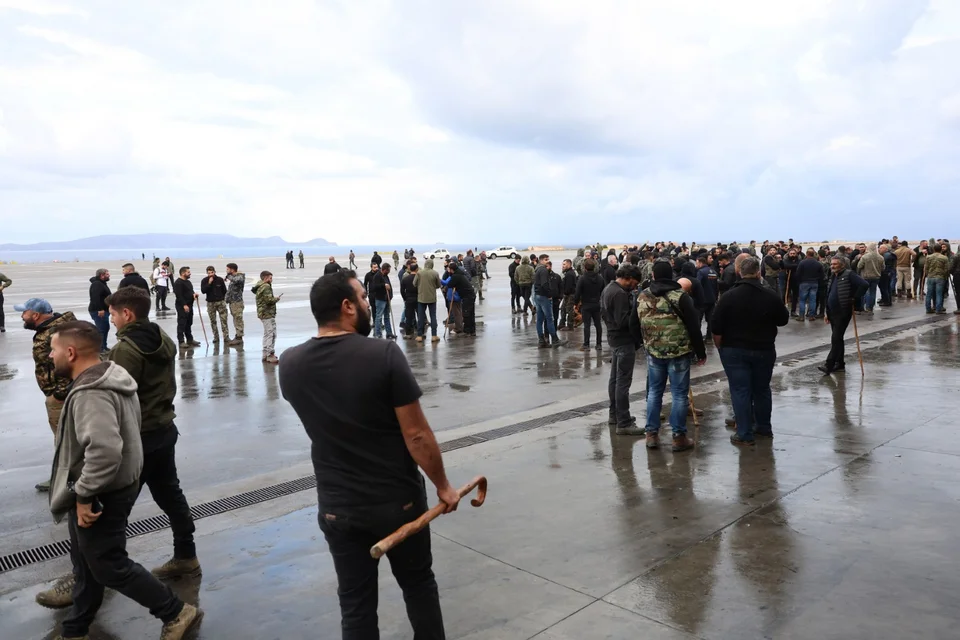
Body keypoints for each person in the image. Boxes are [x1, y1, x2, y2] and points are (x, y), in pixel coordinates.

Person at [278, 271, 459, 640]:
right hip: (397, 503)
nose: (367, 303)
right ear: (347, 307)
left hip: (338, 508)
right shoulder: (383, 354)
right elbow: (417, 435)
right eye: (362, 297)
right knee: (418, 586)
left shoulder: (290, 363)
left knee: (355, 604)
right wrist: (443, 486)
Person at [38, 287, 204, 610]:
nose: (111, 320)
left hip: (138, 438)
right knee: (171, 496)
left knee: (98, 516)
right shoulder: (161, 337)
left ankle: (87, 577)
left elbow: (112, 391)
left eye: (113, 314)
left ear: (126, 314)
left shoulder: (125, 350)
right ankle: (186, 554)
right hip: (163, 430)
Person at [711, 256, 789, 446]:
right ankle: (763, 427)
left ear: (739, 272)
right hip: (763, 348)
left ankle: (744, 433)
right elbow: (783, 319)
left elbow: (716, 327)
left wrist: (721, 347)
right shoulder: (770, 295)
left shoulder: (728, 296)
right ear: (758, 273)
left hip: (735, 349)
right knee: (761, 389)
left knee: (740, 391)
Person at [637, 261, 706, 451]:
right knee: (679, 394)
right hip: (679, 351)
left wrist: (643, 342)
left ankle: (651, 434)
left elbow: (634, 322)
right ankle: (678, 436)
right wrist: (700, 352)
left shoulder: (643, 296)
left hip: (654, 351)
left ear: (653, 275)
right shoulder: (681, 296)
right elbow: (694, 326)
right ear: (672, 276)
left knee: (654, 392)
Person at [15, 298, 77, 491]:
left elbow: (70, 362)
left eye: (24, 312)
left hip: (62, 396)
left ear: (35, 315)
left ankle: (66, 480)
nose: (22, 316)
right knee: (66, 438)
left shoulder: (55, 333)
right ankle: (67, 477)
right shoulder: (51, 329)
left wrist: (59, 393)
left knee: (64, 439)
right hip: (60, 394)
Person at [601, 263, 644, 434]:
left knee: (615, 380)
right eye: (635, 283)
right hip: (623, 340)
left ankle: (615, 415)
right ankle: (624, 422)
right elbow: (623, 321)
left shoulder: (609, 289)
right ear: (628, 278)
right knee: (623, 382)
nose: (635, 286)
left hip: (614, 338)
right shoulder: (619, 294)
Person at [819, 256, 868, 375]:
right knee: (838, 339)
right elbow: (829, 294)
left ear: (842, 265)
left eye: (835, 264)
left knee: (835, 338)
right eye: (831, 264)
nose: (832, 266)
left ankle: (829, 364)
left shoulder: (849, 274)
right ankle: (839, 364)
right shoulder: (832, 275)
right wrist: (826, 312)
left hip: (843, 311)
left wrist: (854, 298)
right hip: (832, 312)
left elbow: (864, 284)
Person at [575, 258, 604, 351]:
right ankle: (599, 344)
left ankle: (586, 344)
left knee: (587, 325)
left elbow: (577, 292)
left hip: (586, 304)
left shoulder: (582, 278)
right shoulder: (600, 278)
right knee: (598, 324)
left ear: (585, 267)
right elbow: (603, 290)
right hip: (597, 303)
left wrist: (575, 303)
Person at [252, 270, 282, 363]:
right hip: (267, 313)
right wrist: (276, 299)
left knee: (267, 333)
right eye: (270, 278)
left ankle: (265, 353)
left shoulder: (260, 286)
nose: (271, 280)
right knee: (271, 333)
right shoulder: (266, 287)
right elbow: (269, 300)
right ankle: (270, 354)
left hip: (263, 312)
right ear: (265, 278)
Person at [534, 254, 562, 348]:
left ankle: (541, 340)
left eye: (548, 259)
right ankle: (555, 339)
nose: (548, 261)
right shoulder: (543, 270)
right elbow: (544, 284)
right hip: (544, 297)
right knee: (549, 319)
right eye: (546, 260)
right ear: (541, 260)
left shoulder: (537, 269)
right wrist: (549, 295)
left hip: (538, 296)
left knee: (540, 319)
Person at [413, 259, 442, 343]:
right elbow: (439, 285)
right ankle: (434, 335)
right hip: (432, 298)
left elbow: (414, 283)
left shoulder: (419, 273)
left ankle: (419, 335)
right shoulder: (435, 273)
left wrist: (420, 286)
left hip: (421, 298)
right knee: (433, 316)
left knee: (421, 317)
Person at [444, 262, 476, 336]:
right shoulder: (460, 274)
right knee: (471, 313)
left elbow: (449, 284)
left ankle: (467, 331)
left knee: (466, 313)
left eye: (449, 269)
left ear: (452, 270)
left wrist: (449, 274)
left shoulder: (456, 276)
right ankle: (472, 330)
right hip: (470, 294)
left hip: (467, 296)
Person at [197, 265, 228, 343]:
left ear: (214, 272)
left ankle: (226, 337)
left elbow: (224, 290)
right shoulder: (204, 280)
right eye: (209, 273)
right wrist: (209, 283)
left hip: (220, 302)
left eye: (212, 272)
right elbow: (203, 291)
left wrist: (222, 299)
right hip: (210, 303)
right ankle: (216, 337)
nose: (211, 274)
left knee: (224, 320)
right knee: (213, 321)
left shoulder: (220, 280)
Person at [172, 267, 201, 348]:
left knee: (189, 323)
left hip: (190, 305)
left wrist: (194, 295)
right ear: (183, 273)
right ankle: (181, 341)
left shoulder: (188, 282)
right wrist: (184, 305)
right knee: (182, 323)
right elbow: (179, 295)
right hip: (182, 306)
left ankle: (190, 339)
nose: (190, 273)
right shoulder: (178, 283)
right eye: (188, 272)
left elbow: (190, 291)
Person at [371, 263, 397, 339]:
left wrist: (390, 295)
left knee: (387, 316)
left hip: (387, 299)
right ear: (385, 269)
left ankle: (389, 333)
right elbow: (374, 287)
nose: (389, 271)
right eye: (388, 270)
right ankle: (377, 333)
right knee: (379, 317)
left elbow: (389, 286)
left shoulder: (385, 276)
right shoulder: (377, 276)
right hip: (380, 299)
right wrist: (384, 285)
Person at [88, 268, 112, 352]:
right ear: (102, 275)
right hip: (98, 311)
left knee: (105, 328)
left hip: (104, 310)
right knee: (102, 330)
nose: (109, 275)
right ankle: (100, 349)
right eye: (107, 274)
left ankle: (103, 346)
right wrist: (100, 309)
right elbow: (95, 298)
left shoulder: (102, 283)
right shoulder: (97, 284)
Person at [795, 248, 823, 320]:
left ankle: (801, 316)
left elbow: (798, 273)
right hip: (814, 283)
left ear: (806, 254)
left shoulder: (802, 263)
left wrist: (799, 282)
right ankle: (811, 316)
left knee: (802, 300)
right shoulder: (818, 263)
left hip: (804, 283)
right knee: (812, 300)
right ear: (814, 255)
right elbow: (821, 275)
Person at [855, 242, 884, 313]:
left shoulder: (865, 257)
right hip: (876, 276)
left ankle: (867, 307)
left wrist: (858, 274)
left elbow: (859, 266)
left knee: (867, 292)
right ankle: (870, 307)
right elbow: (883, 268)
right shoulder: (880, 257)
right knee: (873, 292)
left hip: (866, 276)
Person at [695, 255, 718, 338]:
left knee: (699, 319)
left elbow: (697, 285)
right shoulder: (713, 272)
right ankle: (709, 336)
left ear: (701, 263)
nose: (696, 265)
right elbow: (716, 286)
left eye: (697, 263)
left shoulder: (700, 272)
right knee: (710, 319)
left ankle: (698, 337)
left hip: (703, 300)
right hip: (712, 299)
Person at [924, 243, 950, 314]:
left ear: (933, 249)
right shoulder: (944, 258)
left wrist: (928, 274)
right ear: (941, 249)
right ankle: (938, 309)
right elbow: (946, 269)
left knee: (929, 293)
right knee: (939, 294)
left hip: (931, 277)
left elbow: (926, 268)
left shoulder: (928, 257)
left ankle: (928, 309)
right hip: (940, 277)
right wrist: (945, 276)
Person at [224, 263, 246, 345]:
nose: (226, 271)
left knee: (238, 319)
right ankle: (237, 335)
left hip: (237, 302)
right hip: (232, 302)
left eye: (228, 269)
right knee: (235, 319)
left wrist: (228, 276)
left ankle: (239, 337)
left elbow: (236, 280)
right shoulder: (233, 277)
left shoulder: (240, 276)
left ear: (232, 270)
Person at [400, 263, 419, 338]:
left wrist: (405, 298)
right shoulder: (419, 278)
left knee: (408, 316)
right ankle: (420, 332)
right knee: (420, 315)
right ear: (417, 269)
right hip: (418, 298)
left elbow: (402, 291)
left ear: (409, 269)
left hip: (409, 298)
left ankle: (408, 333)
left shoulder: (405, 279)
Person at [559, 259, 577, 330]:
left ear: (569, 265)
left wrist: (565, 293)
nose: (562, 266)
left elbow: (569, 286)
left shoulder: (569, 274)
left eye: (564, 264)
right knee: (563, 309)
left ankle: (570, 325)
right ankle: (562, 324)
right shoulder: (567, 273)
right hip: (567, 294)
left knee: (569, 310)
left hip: (570, 294)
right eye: (562, 264)